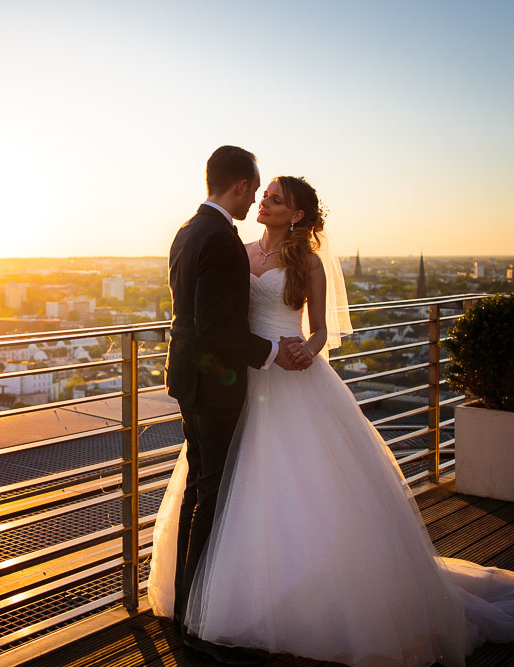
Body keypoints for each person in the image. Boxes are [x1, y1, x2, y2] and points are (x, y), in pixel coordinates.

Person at [150, 175, 514, 666]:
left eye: (276, 199)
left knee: (301, 493)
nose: (263, 202)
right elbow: (223, 320)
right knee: (226, 488)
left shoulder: (308, 263)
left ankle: (291, 604)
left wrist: (307, 351)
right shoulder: (237, 251)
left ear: (299, 216)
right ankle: (218, 595)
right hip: (245, 381)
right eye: (264, 195)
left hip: (292, 380)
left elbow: (321, 329)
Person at [165, 148, 312, 662]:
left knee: (199, 492)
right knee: (214, 497)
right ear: (239, 188)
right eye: (256, 190)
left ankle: (187, 609)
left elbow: (193, 318)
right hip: (217, 386)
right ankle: (198, 621)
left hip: (189, 381)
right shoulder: (225, 241)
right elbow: (217, 328)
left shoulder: (187, 230)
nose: (257, 199)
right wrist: (272, 351)